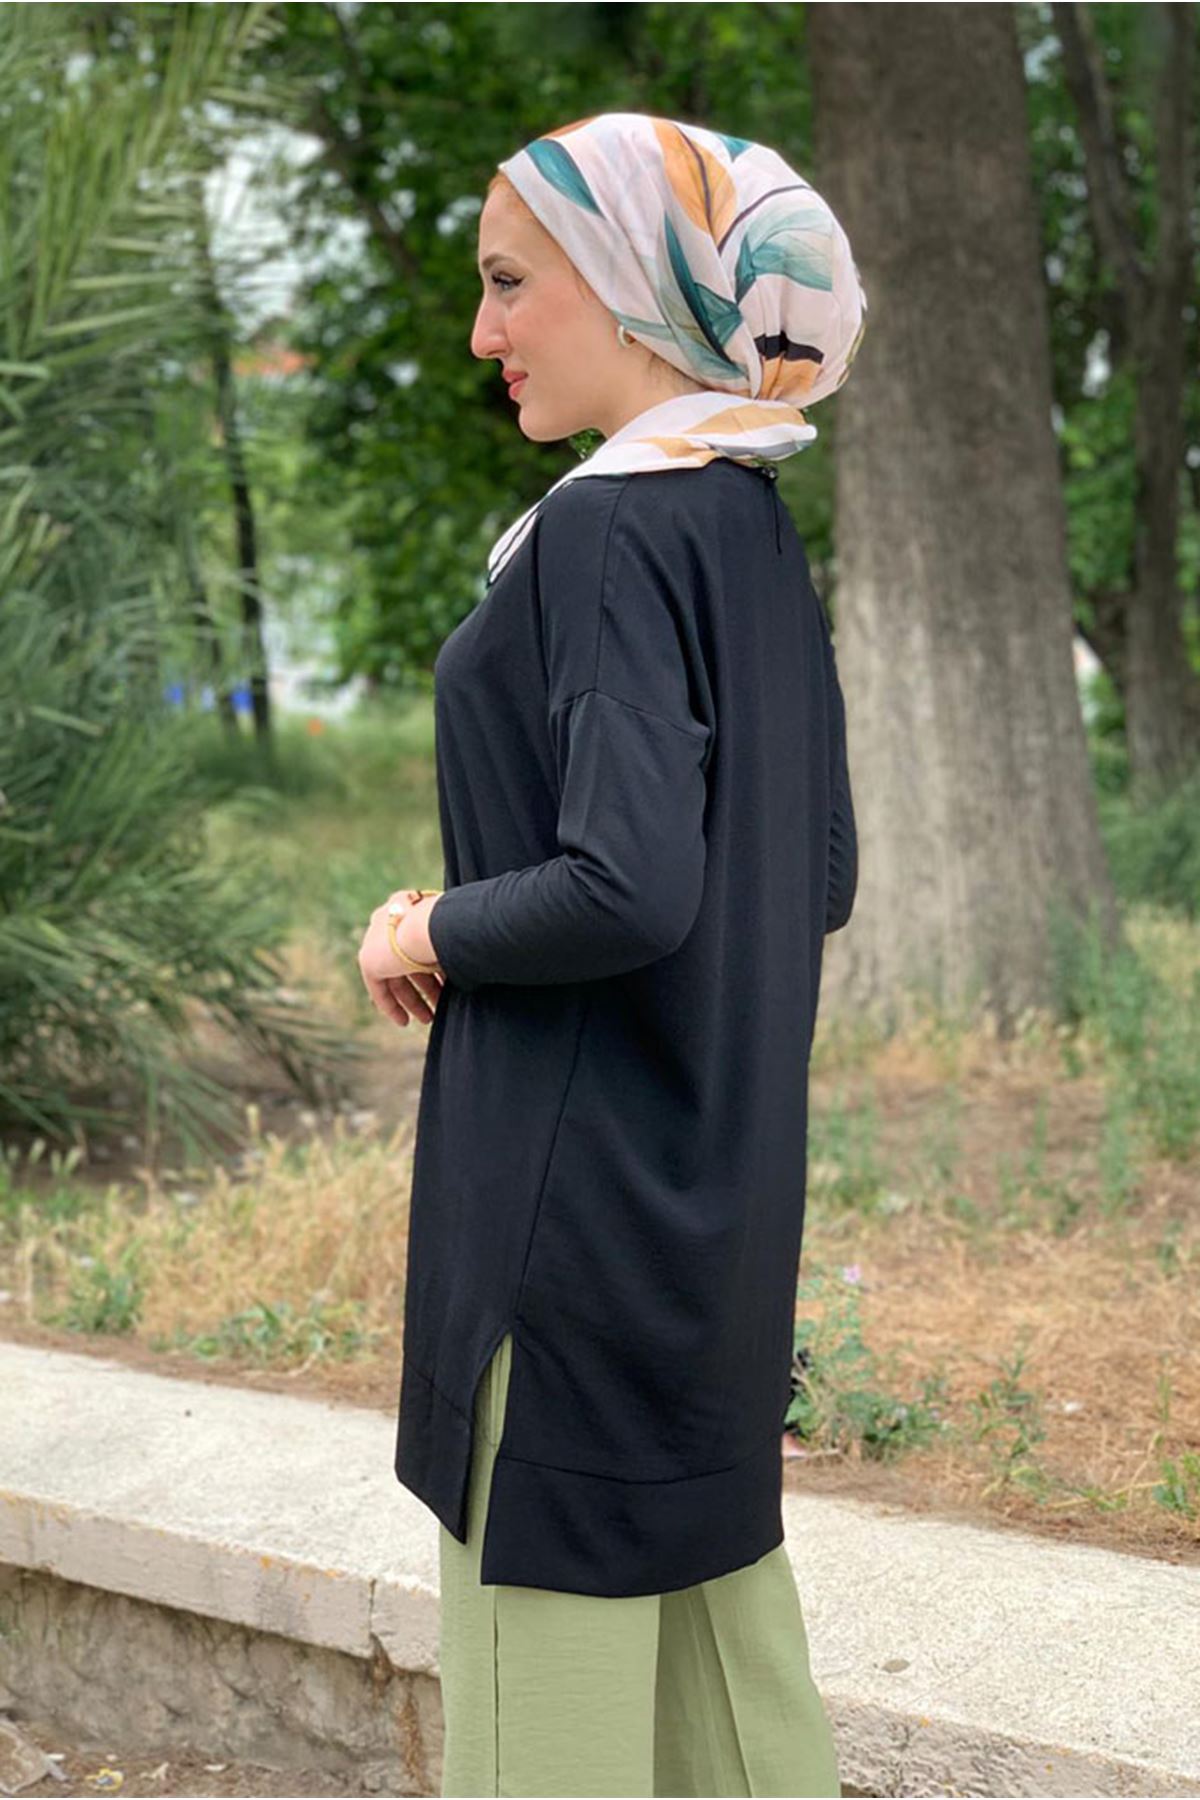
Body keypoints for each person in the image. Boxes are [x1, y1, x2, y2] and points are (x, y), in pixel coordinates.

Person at [356, 111, 864, 1799]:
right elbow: (816, 873)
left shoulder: (604, 530)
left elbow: (626, 887)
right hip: (712, 1219)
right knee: (738, 1725)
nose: (482, 330)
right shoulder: (744, 523)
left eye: (511, 283)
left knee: (545, 1738)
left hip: (561, 1235)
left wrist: (431, 925)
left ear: (632, 276)